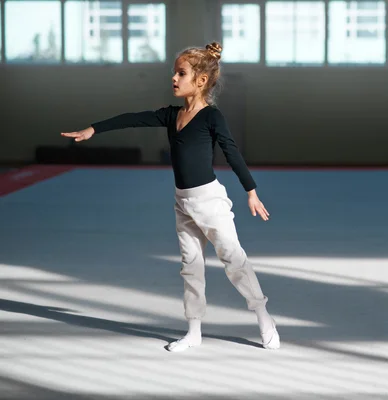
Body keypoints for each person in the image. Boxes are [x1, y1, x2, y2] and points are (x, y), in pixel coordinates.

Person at [60, 42, 280, 352]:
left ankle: (262, 315)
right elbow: (132, 118)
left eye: (181, 73)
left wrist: (251, 192)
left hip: (210, 202)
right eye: (173, 73)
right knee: (191, 267)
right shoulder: (171, 115)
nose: (173, 79)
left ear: (200, 80)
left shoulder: (211, 117)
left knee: (233, 259)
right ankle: (194, 330)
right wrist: (93, 129)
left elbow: (232, 153)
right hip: (183, 203)